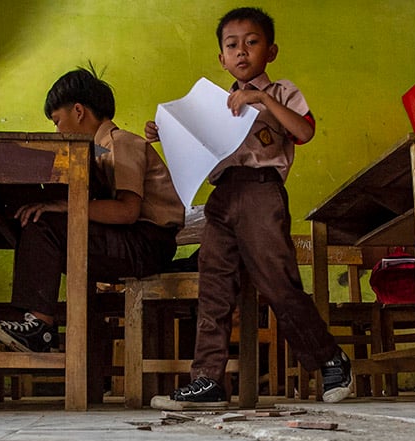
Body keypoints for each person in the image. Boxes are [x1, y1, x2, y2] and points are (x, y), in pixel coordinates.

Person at [145, 7, 353, 409]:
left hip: (262, 192)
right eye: (231, 45)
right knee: (214, 287)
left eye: (252, 42)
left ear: (271, 51)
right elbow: (195, 153)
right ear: (221, 58)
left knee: (277, 280)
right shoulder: (211, 104)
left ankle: (330, 358)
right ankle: (207, 381)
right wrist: (165, 133)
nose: (242, 51)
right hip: (222, 196)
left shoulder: (281, 93)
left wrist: (260, 98)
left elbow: (305, 130)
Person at [0, 66, 184, 353]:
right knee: (39, 219)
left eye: (57, 121)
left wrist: (64, 207)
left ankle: (39, 326)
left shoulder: (121, 142)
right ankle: (37, 324)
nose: (57, 130)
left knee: (45, 221)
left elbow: (127, 212)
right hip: (132, 240)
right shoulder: (98, 150)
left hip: (147, 243)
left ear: (78, 111)